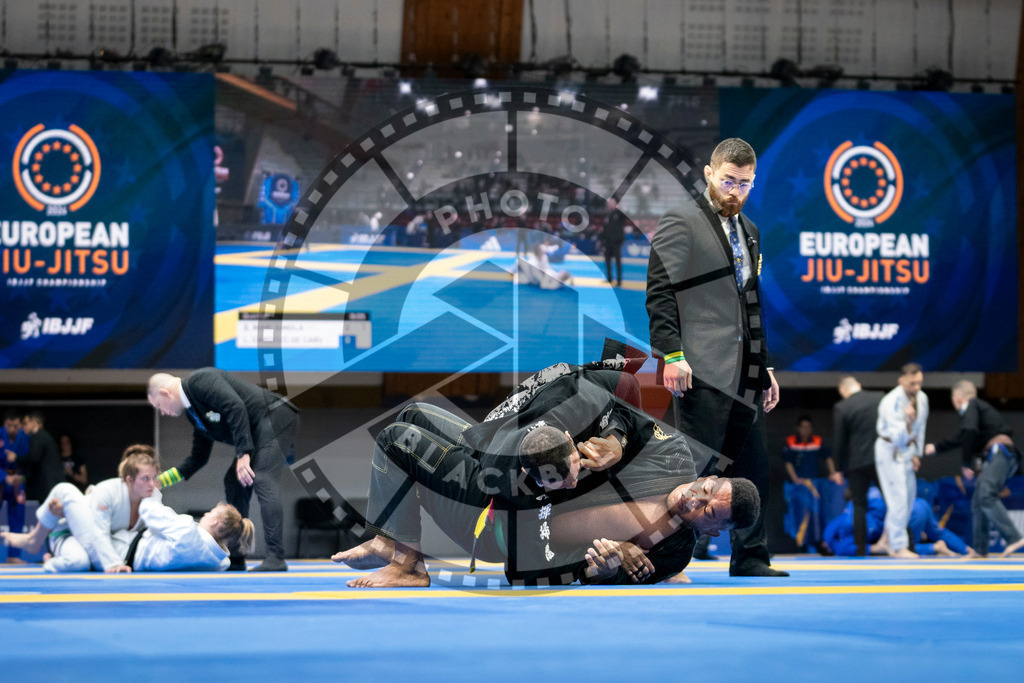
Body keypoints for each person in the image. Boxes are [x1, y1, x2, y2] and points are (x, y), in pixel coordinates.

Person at [645, 137, 785, 577]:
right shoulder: (681, 220)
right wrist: (671, 354)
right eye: (728, 181)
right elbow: (660, 293)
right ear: (709, 173)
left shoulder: (751, 231)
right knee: (692, 469)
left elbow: (751, 304)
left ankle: (751, 557)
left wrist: (765, 366)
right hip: (699, 367)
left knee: (753, 467)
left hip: (746, 369)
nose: (735, 191)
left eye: (744, 184)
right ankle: (664, 557)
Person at [147, 368, 299, 572]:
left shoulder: (201, 380)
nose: (162, 412)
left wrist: (243, 453)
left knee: (262, 477)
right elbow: (198, 458)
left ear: (165, 393)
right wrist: (160, 481)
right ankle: (236, 558)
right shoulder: (194, 414)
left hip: (276, 416)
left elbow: (235, 406)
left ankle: (276, 557)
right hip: (256, 432)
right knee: (234, 481)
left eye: (159, 406)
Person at [0, 444, 161, 572]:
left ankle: (50, 560)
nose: (151, 483)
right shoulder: (108, 491)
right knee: (66, 490)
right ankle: (34, 539)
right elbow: (96, 528)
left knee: (79, 562)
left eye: (153, 476)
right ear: (130, 477)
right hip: (69, 531)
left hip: (90, 544)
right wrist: (113, 563)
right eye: (145, 477)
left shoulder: (152, 497)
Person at [924, 380, 1023, 557]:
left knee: (986, 495)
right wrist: (938, 447)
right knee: (978, 501)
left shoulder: (971, 404)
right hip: (1001, 455)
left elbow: (968, 431)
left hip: (999, 452)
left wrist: (966, 463)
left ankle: (1014, 537)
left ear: (957, 398)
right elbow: (963, 436)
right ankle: (980, 549)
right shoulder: (979, 412)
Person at [875, 363, 928, 558]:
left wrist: (916, 453)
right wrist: (908, 422)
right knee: (898, 498)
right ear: (901, 381)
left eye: (919, 383)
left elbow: (921, 428)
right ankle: (899, 546)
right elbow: (898, 437)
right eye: (912, 383)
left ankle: (885, 540)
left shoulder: (922, 398)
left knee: (908, 499)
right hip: (890, 450)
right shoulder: (891, 401)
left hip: (907, 451)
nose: (917, 387)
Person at [832, 376, 884, 556]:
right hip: (881, 459)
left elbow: (839, 439)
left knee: (859, 504)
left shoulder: (842, 406)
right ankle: (907, 543)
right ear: (859, 385)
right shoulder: (879, 397)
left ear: (843, 391)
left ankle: (861, 548)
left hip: (856, 462)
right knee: (893, 502)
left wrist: (837, 468)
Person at [782, 415, 838, 553]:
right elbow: (788, 462)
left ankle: (816, 542)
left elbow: (828, 458)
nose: (805, 430)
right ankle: (799, 543)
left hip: (814, 486)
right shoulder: (790, 441)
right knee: (797, 514)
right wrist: (795, 479)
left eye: (808, 427)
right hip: (797, 487)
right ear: (798, 428)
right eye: (803, 427)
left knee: (816, 513)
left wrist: (833, 473)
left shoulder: (818, 441)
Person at [20, 410, 64, 506]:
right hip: (49, 484)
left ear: (34, 423)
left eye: (26, 423)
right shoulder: (43, 436)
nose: (23, 426)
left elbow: (33, 457)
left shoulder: (38, 437)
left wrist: (16, 458)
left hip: (47, 485)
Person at [2, 409, 29, 562]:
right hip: (1, 480)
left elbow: (31, 460)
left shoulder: (25, 436)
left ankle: (14, 555)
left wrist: (21, 477)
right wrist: (4, 477)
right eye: (9, 425)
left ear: (20, 425)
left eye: (15, 426)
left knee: (18, 516)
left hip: (18, 481)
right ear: (4, 424)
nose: (12, 429)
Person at [602, 198, 626, 287]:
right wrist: (602, 240)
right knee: (607, 260)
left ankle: (619, 280)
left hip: (617, 241)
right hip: (608, 242)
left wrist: (619, 208)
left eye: (611, 203)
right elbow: (605, 229)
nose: (609, 205)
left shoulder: (618, 213)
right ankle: (609, 278)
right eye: (608, 203)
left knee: (617, 261)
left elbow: (624, 216)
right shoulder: (607, 215)